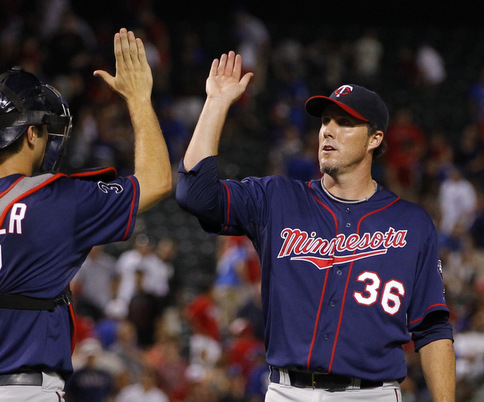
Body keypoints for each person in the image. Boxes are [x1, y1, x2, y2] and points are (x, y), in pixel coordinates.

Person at [0, 27, 171, 402]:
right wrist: (137, 98)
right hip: (29, 393)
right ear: (31, 134)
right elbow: (157, 181)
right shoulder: (59, 201)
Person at [176, 51, 456, 401]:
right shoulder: (276, 199)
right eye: (325, 121)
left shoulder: (411, 223)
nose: (329, 131)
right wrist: (216, 105)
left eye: (345, 123)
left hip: (371, 395)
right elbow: (194, 195)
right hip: (286, 391)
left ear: (375, 139)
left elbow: (431, 327)